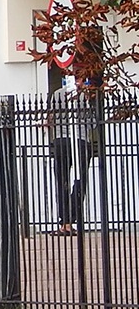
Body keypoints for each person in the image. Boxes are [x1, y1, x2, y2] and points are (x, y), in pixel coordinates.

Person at [48, 78, 91, 236]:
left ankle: (64, 221)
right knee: (80, 180)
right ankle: (71, 217)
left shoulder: (57, 95)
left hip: (60, 142)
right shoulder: (83, 97)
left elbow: (52, 117)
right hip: (80, 141)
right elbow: (92, 122)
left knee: (62, 181)